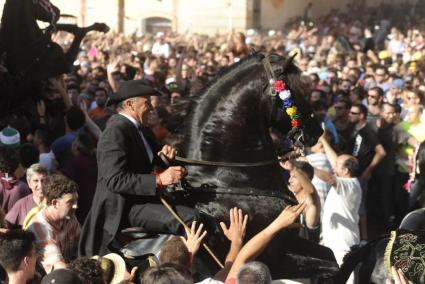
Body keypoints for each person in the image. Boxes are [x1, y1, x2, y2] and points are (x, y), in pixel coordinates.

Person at [79, 80, 199, 257]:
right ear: (130, 105)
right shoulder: (115, 131)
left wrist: (165, 159)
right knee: (191, 219)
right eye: (147, 103)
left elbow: (149, 162)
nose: (151, 108)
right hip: (126, 207)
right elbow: (115, 179)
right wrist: (159, 180)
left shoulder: (141, 129)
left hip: (145, 198)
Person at [313, 134, 361, 284]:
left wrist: (306, 166)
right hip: (333, 241)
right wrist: (322, 140)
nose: (333, 166)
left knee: (347, 279)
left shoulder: (350, 185)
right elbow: (336, 160)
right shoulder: (346, 178)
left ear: (346, 170)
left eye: (337, 166)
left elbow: (330, 179)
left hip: (343, 244)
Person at [27, 174, 80, 273]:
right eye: (70, 202)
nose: (76, 206)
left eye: (76, 200)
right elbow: (60, 270)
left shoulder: (69, 216)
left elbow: (81, 246)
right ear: (54, 203)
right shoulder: (39, 228)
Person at [281, 160, 321, 242]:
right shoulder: (288, 197)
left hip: (305, 254)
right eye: (290, 176)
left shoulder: (311, 205)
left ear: (306, 179)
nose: (289, 180)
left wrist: (294, 169)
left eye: (294, 177)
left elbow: (311, 191)